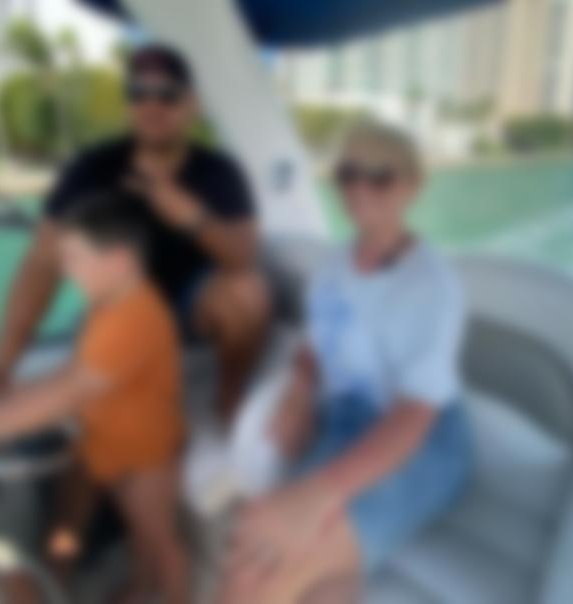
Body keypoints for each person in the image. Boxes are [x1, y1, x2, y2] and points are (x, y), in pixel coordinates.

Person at [0, 196, 190, 604]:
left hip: (144, 456)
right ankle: (61, 580)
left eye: (75, 259)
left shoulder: (135, 319)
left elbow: (63, 396)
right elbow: (70, 375)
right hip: (98, 440)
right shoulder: (107, 305)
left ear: (118, 260)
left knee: (155, 542)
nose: (65, 271)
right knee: (68, 521)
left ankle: (161, 591)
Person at [0, 43, 269, 423]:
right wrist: (1, 367)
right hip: (118, 308)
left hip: (191, 309)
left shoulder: (220, 172)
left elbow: (244, 258)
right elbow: (42, 262)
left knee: (247, 295)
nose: (152, 104)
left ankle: (229, 404)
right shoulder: (92, 169)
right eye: (138, 93)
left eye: (167, 94)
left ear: (191, 104)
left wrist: (189, 215)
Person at [219, 122, 472, 604]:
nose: (360, 187)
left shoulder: (431, 285)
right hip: (345, 425)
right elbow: (316, 344)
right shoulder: (332, 267)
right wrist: (298, 392)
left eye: (380, 176)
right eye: (348, 174)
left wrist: (319, 493)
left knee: (251, 577)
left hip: (419, 443)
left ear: (412, 186)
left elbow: (415, 414)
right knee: (289, 568)